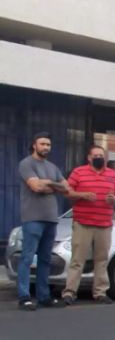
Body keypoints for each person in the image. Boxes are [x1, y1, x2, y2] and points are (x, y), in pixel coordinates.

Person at [62, 145, 115, 305]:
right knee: (77, 259)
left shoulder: (112, 174)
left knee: (102, 259)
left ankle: (100, 292)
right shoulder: (78, 172)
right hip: (83, 223)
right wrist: (82, 195)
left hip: (104, 223)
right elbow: (67, 192)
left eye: (101, 155)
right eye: (95, 155)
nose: (99, 158)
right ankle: (69, 293)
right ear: (89, 158)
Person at [16, 132, 69, 310]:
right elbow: (36, 186)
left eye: (48, 144)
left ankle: (43, 295)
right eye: (42, 144)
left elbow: (66, 187)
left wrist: (49, 184)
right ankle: (24, 296)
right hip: (32, 218)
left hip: (51, 218)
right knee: (27, 258)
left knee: (46, 259)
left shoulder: (53, 167)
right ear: (34, 145)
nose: (46, 147)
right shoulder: (26, 164)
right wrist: (53, 185)